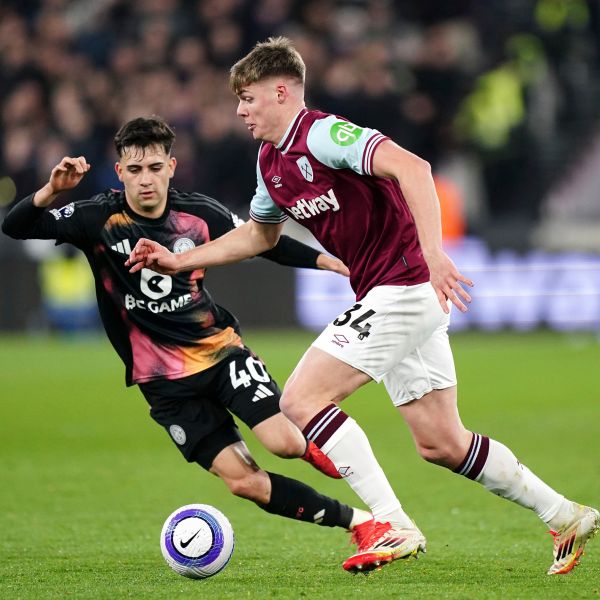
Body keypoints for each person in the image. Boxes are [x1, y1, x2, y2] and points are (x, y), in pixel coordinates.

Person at [125, 38, 599, 576]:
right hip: (390, 292)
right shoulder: (270, 160)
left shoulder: (324, 134)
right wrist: (179, 262)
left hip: (405, 286)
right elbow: (258, 236)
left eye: (249, 98)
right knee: (441, 443)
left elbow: (415, 169)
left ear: (281, 92)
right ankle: (563, 514)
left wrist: (435, 254)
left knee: (301, 402)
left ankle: (392, 523)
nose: (240, 110)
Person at [1, 116, 375, 542]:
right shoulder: (95, 217)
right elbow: (15, 227)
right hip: (160, 381)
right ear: (120, 171)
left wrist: (326, 260)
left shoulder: (198, 214)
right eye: (136, 170)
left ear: (172, 167)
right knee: (244, 482)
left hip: (218, 353)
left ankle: (321, 452)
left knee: (284, 444)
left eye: (155, 168)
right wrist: (52, 191)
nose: (146, 180)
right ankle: (362, 523)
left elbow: (262, 241)